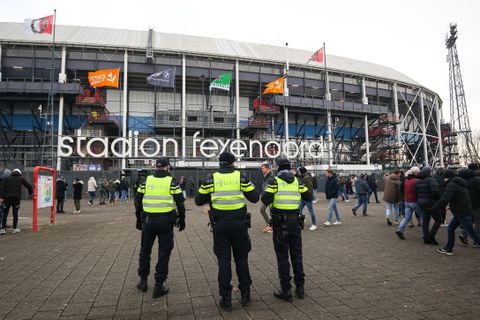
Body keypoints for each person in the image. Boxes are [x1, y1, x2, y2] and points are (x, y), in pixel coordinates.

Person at [195, 152, 259, 311]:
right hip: (239, 224)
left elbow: (198, 201)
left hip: (220, 225)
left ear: (220, 163)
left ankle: (226, 298)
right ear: (232, 163)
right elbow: (255, 197)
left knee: (224, 261)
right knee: (241, 259)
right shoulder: (240, 177)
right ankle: (245, 294)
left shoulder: (211, 178)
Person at [261, 158, 312, 302]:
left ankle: (286, 290)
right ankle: (300, 288)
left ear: (277, 167)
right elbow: (309, 196)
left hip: (279, 224)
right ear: (289, 167)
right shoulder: (297, 181)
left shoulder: (275, 181)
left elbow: (265, 200)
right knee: (297, 255)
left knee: (282, 257)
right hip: (295, 223)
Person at [135, 158, 186, 298]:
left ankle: (143, 282)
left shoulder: (146, 181)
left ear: (156, 167)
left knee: (145, 250)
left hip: (148, 220)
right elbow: (180, 203)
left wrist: (138, 219)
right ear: (167, 167)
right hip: (165, 222)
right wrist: (182, 220)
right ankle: (159, 285)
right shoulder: (172, 182)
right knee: (164, 252)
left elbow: (137, 200)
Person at [433, 170, 480, 255]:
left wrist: (435, 207)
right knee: (451, 228)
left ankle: (449, 248)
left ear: (447, 177)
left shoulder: (452, 185)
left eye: (444, 177)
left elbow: (445, 198)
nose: (443, 179)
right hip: (461, 211)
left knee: (472, 233)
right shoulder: (460, 183)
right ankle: (448, 248)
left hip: (462, 212)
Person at [0, 169, 33, 234]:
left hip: (7, 198)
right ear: (19, 173)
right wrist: (30, 193)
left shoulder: (7, 178)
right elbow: (29, 186)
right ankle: (14, 229)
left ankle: (2, 229)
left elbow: (2, 188)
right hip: (16, 199)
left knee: (5, 213)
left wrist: (1, 197)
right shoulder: (21, 178)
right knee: (15, 214)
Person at [395, 167, 423, 240]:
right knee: (423, 217)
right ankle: (425, 233)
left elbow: (402, 189)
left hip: (407, 201)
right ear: (417, 172)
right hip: (415, 201)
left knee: (406, 218)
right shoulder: (417, 180)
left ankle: (400, 230)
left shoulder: (406, 180)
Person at [414, 167, 441, 244]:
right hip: (431, 203)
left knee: (425, 220)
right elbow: (435, 191)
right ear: (428, 173)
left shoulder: (417, 181)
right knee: (438, 220)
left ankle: (426, 237)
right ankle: (431, 236)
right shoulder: (431, 180)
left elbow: (415, 193)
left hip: (421, 203)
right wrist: (437, 199)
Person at [458, 164, 480, 246]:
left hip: (467, 203)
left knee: (470, 221)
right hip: (477, 204)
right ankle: (477, 240)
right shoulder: (477, 179)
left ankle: (464, 234)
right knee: (478, 222)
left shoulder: (463, 179)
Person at [260, 163, 274, 233]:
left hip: (271, 197)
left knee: (271, 212)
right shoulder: (266, 176)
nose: (262, 170)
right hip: (266, 197)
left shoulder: (271, 176)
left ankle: (270, 226)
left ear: (267, 168)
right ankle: (269, 225)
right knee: (262, 210)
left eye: (263, 168)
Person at [0, 169, 12, 233]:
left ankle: (4, 224)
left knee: (3, 211)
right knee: (2, 211)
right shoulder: (4, 179)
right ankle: (2, 225)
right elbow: (2, 189)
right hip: (2, 197)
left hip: (3, 197)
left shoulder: (3, 178)